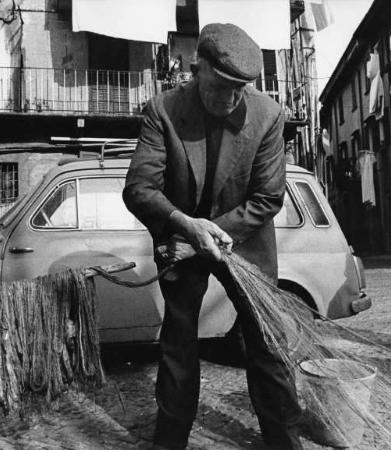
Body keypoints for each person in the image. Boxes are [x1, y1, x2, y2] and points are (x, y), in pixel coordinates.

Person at [123, 23, 303, 450]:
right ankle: (170, 441)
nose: (231, 99)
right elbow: (138, 189)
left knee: (267, 346)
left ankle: (283, 442)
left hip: (245, 246)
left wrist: (210, 237)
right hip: (181, 243)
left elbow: (267, 198)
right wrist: (186, 228)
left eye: (240, 89)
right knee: (177, 345)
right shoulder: (162, 110)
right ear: (195, 67)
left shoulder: (268, 116)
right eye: (222, 87)